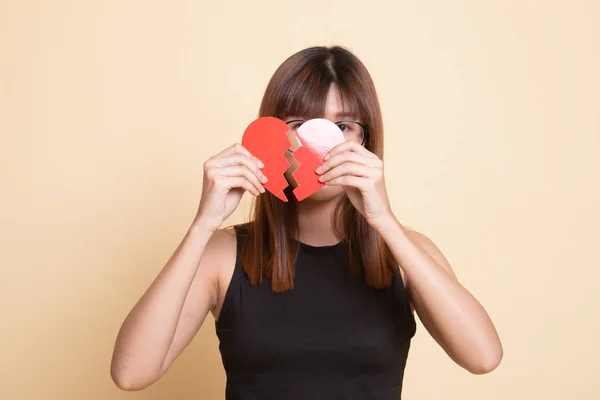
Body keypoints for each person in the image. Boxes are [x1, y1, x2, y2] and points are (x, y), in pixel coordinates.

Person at [110, 45, 503, 399]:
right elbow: (131, 374)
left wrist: (383, 219)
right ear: (272, 138)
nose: (322, 145)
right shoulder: (222, 256)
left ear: (366, 140)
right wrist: (202, 225)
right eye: (301, 126)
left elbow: (483, 357)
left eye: (343, 126)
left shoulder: (406, 252)